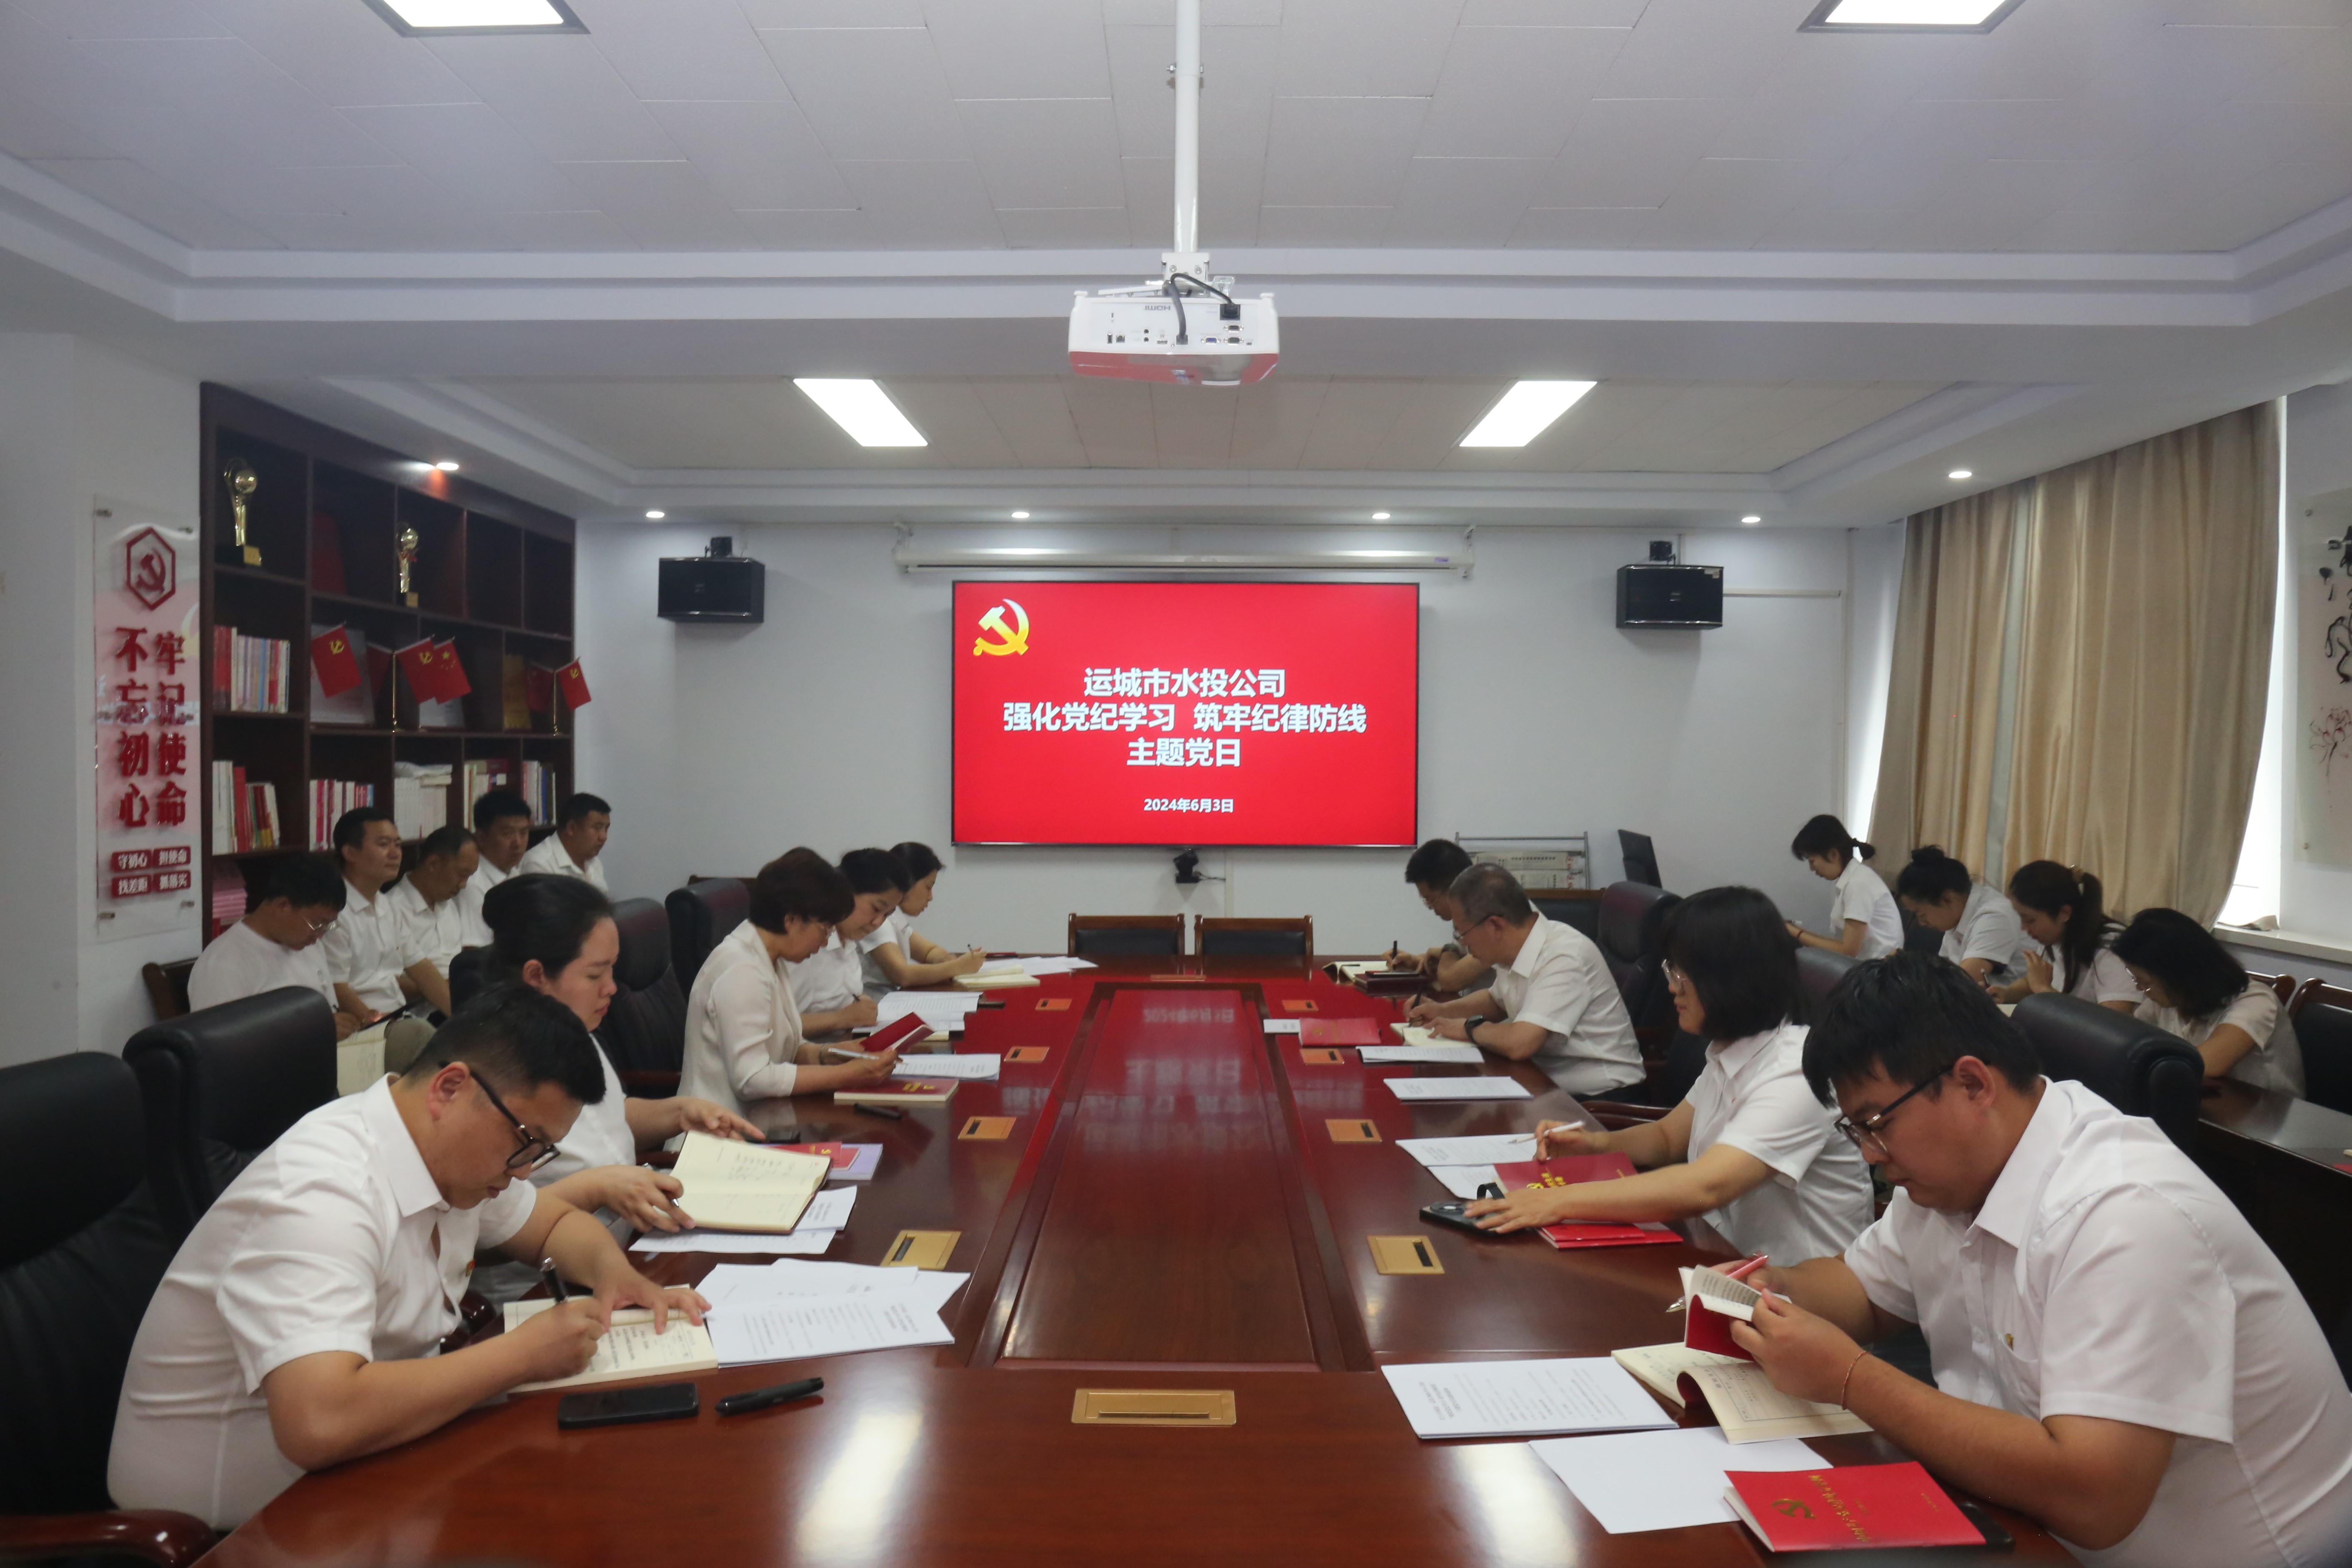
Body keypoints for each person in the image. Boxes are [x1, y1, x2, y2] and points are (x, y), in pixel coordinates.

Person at [1723, 951, 2352, 1566]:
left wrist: (1849, 1379)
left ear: (1972, 1083)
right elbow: (1862, 1289)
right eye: (1855, 1130)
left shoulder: (2125, 1213)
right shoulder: (1948, 1175)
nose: (1869, 1154)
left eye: (1875, 1122)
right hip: (2021, 1520)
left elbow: (2094, 1500)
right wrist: (1776, 1289)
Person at [108, 985, 707, 1531]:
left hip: (371, 1470)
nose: (525, 1171)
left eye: (542, 1151)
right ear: (450, 1088)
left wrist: (615, 1277)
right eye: (527, 1142)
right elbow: (319, 1422)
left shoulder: (450, 1155)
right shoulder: (319, 1195)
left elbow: (552, 1223)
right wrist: (522, 1355)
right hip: (233, 1531)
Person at [1466, 887, 1872, 1264]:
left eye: (1682, 973)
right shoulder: (1734, 1050)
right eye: (1670, 969)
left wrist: (1554, 1202)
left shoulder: (1796, 1073)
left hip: (1797, 1292)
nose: (1672, 988)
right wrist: (1594, 1144)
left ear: (1730, 977)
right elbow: (1667, 1138)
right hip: (1725, 1257)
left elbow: (1705, 1186)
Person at [472, 875, 763, 1296]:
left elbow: (606, 1119)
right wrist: (598, 1188)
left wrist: (679, 1112)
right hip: (542, 1290)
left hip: (627, 1250)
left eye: (613, 968)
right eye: (595, 974)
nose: (613, 988)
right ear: (537, 976)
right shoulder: (488, 1071)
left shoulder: (573, 1029)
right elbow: (478, 1234)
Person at [679, 848, 902, 1116]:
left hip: (764, 1117)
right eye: (825, 929)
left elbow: (786, 1048)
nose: (825, 943)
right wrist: (848, 1075)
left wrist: (832, 1054)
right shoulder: (741, 970)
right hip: (717, 1129)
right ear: (792, 920)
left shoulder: (771, 957)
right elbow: (752, 1079)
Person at [1405, 864, 1644, 1095]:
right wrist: (1441, 1011)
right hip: (1545, 1081)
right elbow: (1496, 1001)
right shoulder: (1515, 949)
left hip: (1602, 1097)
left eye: (1462, 933)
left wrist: (1470, 1029)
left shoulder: (1564, 956)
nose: (1462, 943)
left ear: (1495, 925)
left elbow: (1521, 1043)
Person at [2111, 908, 2306, 1096]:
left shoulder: (2256, 1002)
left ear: (2177, 975)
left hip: (2265, 1111)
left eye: (2145, 982)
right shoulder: (2169, 1000)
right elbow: (2128, 1044)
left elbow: (2208, 1064)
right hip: (2208, 1101)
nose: (2140, 989)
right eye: (2135, 979)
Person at [186, 855, 364, 1039]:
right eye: (317, 923)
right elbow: (218, 1044)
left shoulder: (309, 944)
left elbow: (328, 1010)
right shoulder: (222, 965)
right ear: (283, 906)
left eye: (328, 925)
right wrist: (313, 1031)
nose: (320, 935)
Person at [316, 806, 421, 1022]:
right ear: (350, 853)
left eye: (398, 844)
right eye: (383, 845)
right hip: (365, 1025)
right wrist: (380, 1025)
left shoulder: (389, 905)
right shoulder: (334, 912)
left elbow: (420, 966)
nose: (395, 854)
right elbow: (337, 986)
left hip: (400, 1014)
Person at [787, 847, 902, 1035]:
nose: (878, 922)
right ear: (845, 891)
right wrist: (841, 1019)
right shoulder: (806, 945)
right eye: (876, 909)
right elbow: (773, 1027)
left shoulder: (848, 939)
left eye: (887, 915)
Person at [1996, 860, 2137, 1012]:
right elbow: (2033, 982)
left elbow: (2114, 1020)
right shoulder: (2056, 937)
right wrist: (2006, 994)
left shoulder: (2112, 947)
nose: (2023, 928)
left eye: (2030, 920)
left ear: (2064, 913)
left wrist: (2044, 990)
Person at [860, 841, 984, 995]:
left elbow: (928, 952)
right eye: (928, 887)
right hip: (875, 1003)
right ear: (908, 881)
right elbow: (903, 975)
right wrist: (958, 967)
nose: (931, 897)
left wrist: (945, 960)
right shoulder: (878, 920)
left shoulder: (895, 916)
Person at [382, 824, 478, 1017]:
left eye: (469, 877)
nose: (464, 885)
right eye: (461, 875)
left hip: (458, 1004)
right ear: (433, 864)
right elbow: (387, 981)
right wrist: (440, 987)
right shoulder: (393, 909)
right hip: (421, 1013)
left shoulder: (450, 903)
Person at [1894, 844, 2024, 986]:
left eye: (1922, 915)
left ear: (1947, 899)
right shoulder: (1956, 916)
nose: (1921, 923)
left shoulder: (1995, 915)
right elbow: (1944, 973)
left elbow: (1962, 981)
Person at [1785, 814, 1901, 961]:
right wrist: (1799, 932)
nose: (1812, 869)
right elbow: (1843, 945)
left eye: (1812, 861)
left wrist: (1796, 933)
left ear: (1833, 854)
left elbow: (1848, 951)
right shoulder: (1853, 879)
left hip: (1880, 969)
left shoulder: (1858, 884)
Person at [1382, 839, 1491, 992]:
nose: (1430, 907)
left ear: (1454, 888)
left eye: (1431, 899)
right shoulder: (1471, 914)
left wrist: (1447, 950)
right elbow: (1459, 957)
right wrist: (1415, 961)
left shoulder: (1491, 920)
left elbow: (1451, 980)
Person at [459, 789, 534, 948]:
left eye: (524, 833)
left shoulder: (515, 874)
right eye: (508, 834)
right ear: (481, 838)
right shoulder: (472, 884)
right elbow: (475, 951)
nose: (518, 843)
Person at [517, 792, 610, 891]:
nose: (604, 837)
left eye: (606, 829)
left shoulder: (594, 862)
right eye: (597, 828)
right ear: (571, 828)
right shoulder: (539, 864)